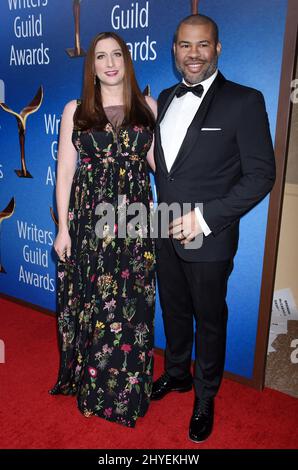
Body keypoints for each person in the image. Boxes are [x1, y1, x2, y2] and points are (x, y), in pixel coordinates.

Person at [152, 14, 276, 442]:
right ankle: (176, 374)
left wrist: (204, 217)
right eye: (185, 45)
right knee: (174, 309)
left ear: (218, 48)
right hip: (163, 231)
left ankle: (205, 395)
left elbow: (261, 176)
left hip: (209, 236)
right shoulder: (165, 97)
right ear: (174, 49)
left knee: (209, 319)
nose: (193, 54)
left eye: (203, 45)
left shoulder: (245, 101)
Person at [50, 32, 157, 428]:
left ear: (126, 61)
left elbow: (159, 165)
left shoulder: (147, 106)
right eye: (100, 56)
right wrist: (63, 228)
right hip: (90, 221)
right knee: (95, 301)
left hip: (134, 223)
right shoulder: (74, 111)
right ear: (91, 66)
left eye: (116, 55)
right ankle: (93, 385)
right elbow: (64, 172)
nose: (110, 62)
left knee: (133, 304)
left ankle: (127, 390)